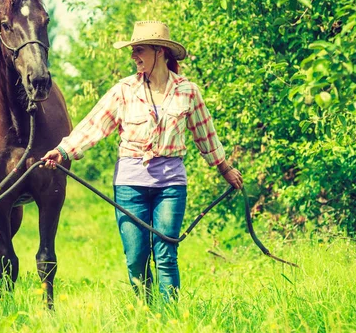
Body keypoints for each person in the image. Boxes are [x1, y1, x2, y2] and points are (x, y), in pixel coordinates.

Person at [41, 20, 243, 302]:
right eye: (133, 50)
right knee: (136, 257)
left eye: (140, 50)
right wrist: (63, 151)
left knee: (166, 254)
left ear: (160, 51)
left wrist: (225, 169)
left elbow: (205, 134)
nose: (133, 56)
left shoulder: (188, 91)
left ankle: (172, 316)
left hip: (171, 184)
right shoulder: (123, 90)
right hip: (130, 184)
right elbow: (93, 125)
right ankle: (144, 313)